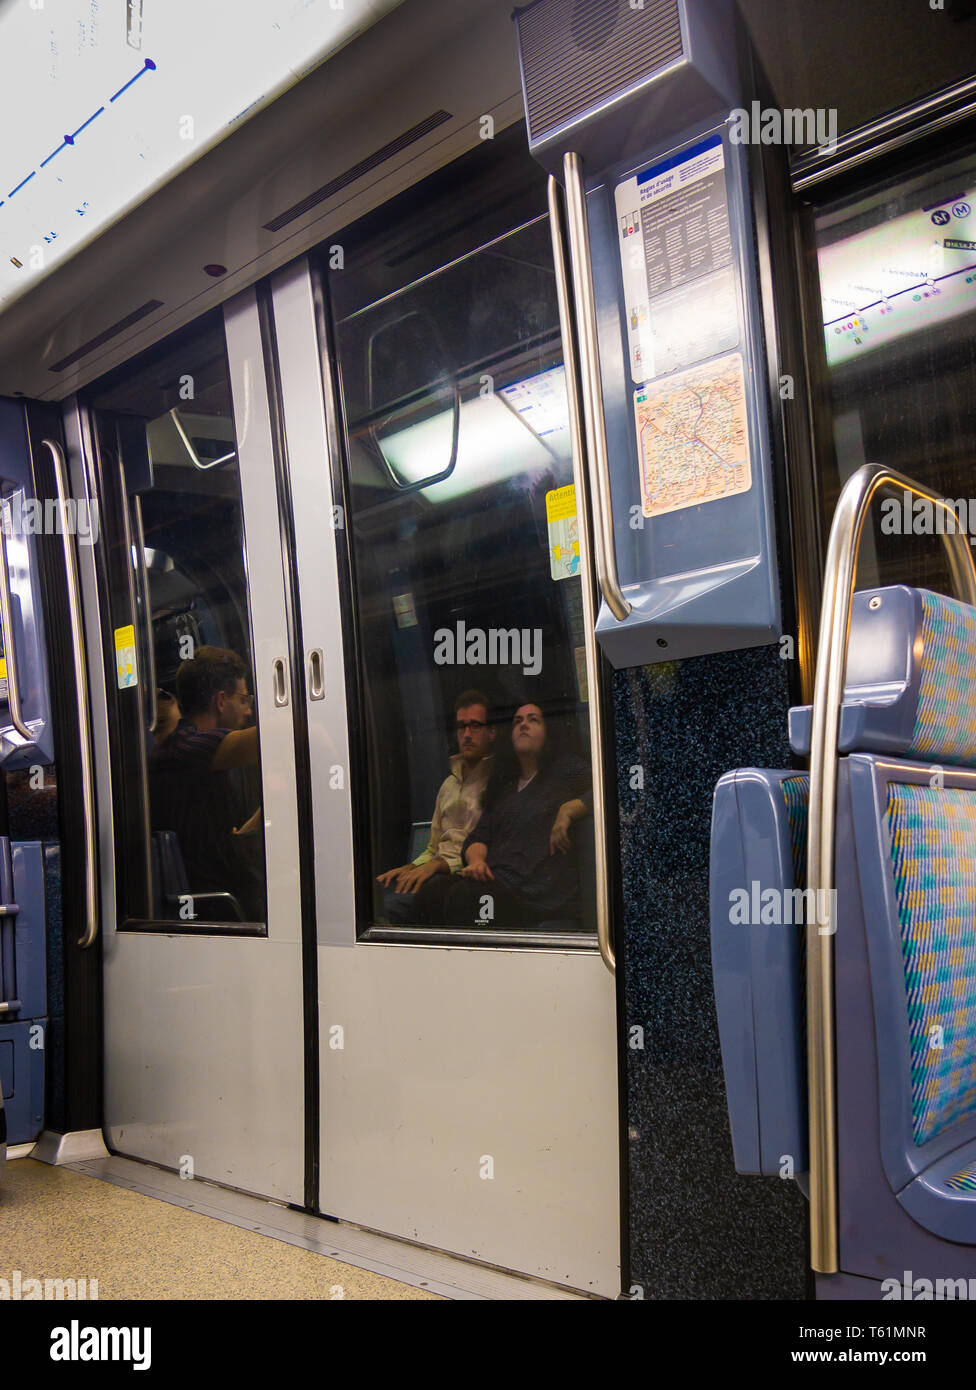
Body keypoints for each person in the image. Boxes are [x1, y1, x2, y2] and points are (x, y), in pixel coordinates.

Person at [443, 700, 591, 930]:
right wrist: (477, 861)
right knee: (434, 892)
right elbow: (478, 837)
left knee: (459, 900)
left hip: (536, 895)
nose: (524, 725)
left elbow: (609, 787)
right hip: (495, 884)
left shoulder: (564, 771)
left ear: (547, 731)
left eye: (533, 720)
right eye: (518, 721)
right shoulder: (505, 789)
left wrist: (569, 809)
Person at [148, 645, 264, 921]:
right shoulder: (186, 749)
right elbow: (282, 735)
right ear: (221, 701)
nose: (248, 711)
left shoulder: (187, 752)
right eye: (244, 699)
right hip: (217, 911)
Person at [376, 689, 495, 925]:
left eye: (475, 726)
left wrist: (437, 866)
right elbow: (433, 847)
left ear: (491, 732)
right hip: (436, 866)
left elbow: (489, 846)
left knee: (391, 906)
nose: (467, 734)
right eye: (462, 727)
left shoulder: (497, 782)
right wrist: (409, 867)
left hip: (463, 874)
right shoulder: (448, 784)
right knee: (376, 890)